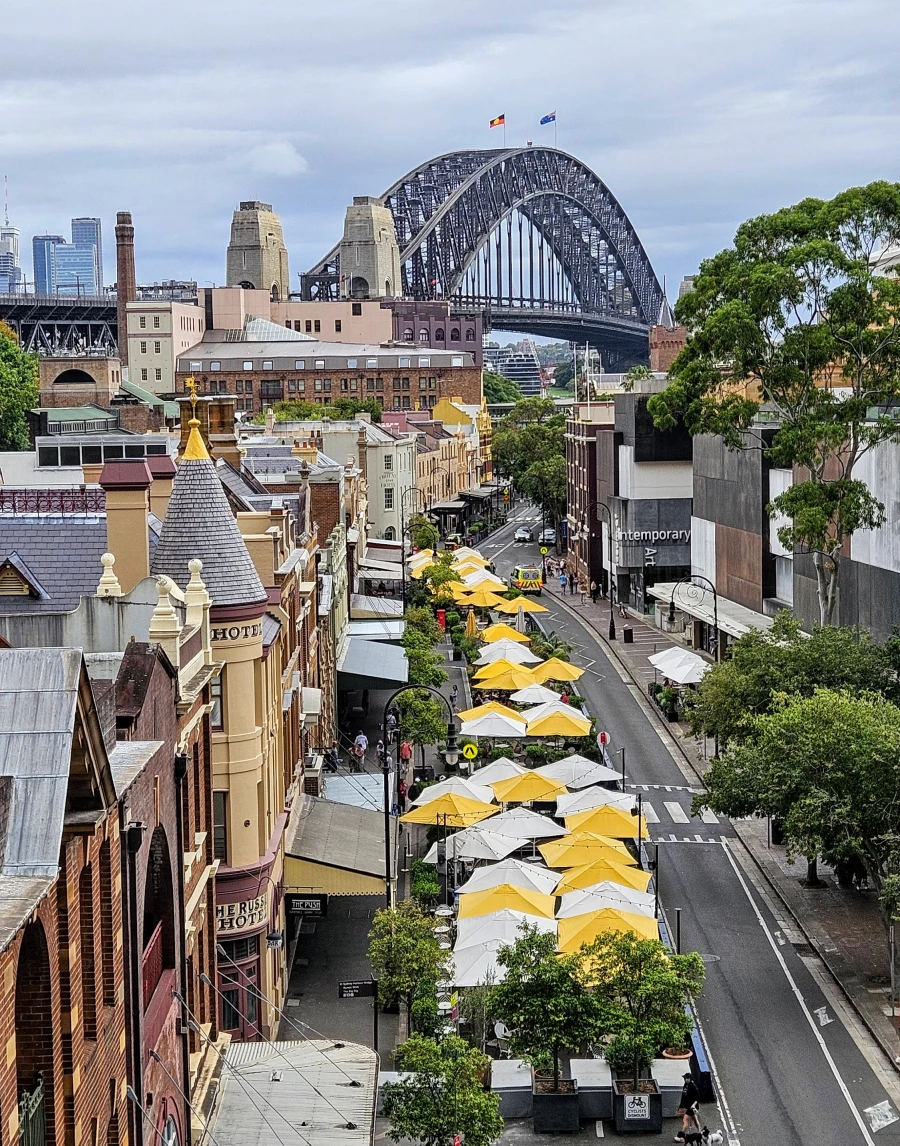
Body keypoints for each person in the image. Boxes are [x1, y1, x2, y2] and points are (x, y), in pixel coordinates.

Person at [676, 1073, 701, 1139]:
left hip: (692, 1107)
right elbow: (683, 1096)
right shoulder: (685, 1085)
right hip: (688, 1106)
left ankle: (681, 1135)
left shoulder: (693, 1086)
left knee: (685, 1119)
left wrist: (693, 1105)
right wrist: (681, 1106)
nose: (685, 1080)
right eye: (685, 1078)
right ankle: (700, 1133)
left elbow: (697, 1097)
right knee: (695, 1120)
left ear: (690, 1079)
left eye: (687, 1078)